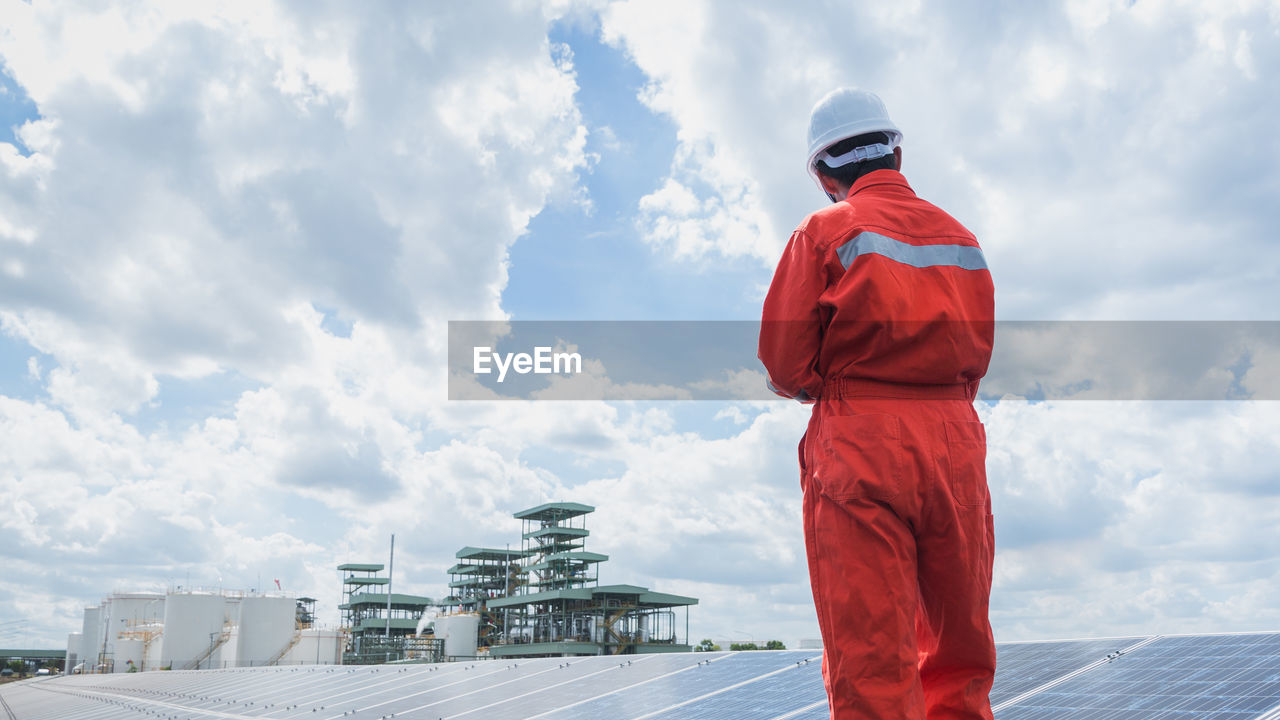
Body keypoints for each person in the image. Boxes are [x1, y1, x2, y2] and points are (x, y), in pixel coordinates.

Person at [758, 88, 996, 719]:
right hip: (955, 440)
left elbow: (784, 362)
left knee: (872, 660)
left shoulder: (824, 232)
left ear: (822, 172)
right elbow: (978, 352)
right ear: (896, 150)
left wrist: (825, 385)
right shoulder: (962, 238)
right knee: (961, 649)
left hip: (858, 441)